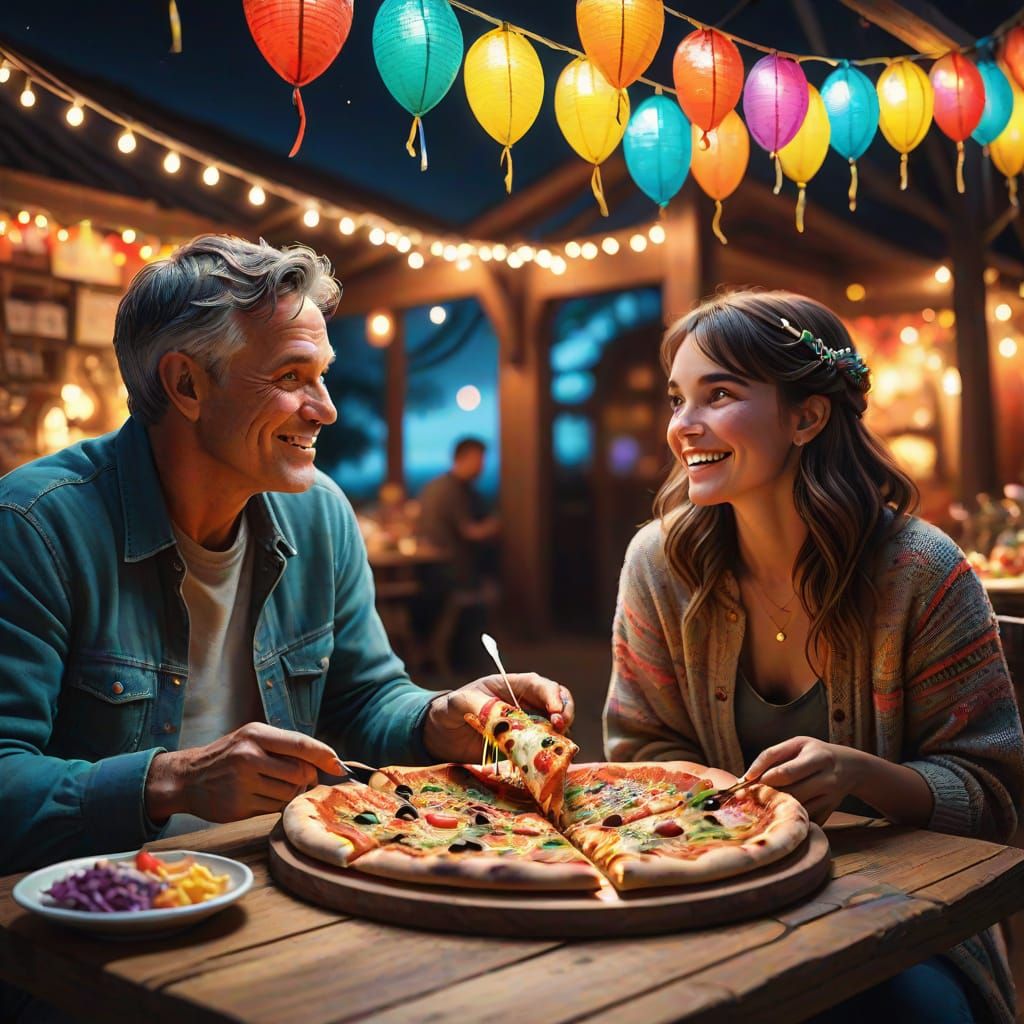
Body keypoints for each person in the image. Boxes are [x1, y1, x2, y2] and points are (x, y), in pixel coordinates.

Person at [0, 235, 573, 879]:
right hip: (91, 916)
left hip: (284, 882)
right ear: (186, 384)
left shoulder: (322, 514)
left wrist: (435, 718)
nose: (325, 409)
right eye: (291, 377)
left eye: (322, 375)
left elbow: (362, 700)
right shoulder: (33, 525)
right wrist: (172, 781)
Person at [604, 289, 1024, 1023]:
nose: (682, 426)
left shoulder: (922, 571)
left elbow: (994, 798)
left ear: (806, 416)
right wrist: (738, 826)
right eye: (678, 399)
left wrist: (863, 774)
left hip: (903, 926)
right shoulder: (659, 563)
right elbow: (640, 747)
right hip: (716, 909)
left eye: (719, 394)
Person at [416, 437, 500, 671]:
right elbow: (470, 532)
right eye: (479, 460)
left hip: (431, 571)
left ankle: (438, 654)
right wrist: (494, 526)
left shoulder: (434, 486)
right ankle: (466, 660)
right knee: (487, 588)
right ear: (464, 458)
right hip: (451, 572)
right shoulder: (455, 491)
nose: (482, 467)